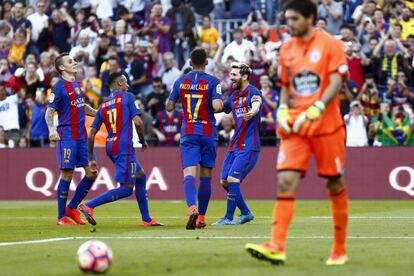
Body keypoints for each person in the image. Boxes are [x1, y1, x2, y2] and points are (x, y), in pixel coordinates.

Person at [246, 0, 350, 266]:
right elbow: (283, 84)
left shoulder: (331, 44)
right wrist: (281, 109)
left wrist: (318, 106)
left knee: (334, 183)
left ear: (309, 18)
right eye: (286, 19)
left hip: (326, 126)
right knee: (285, 181)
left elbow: (337, 79)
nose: (288, 23)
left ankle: (339, 249)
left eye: (293, 19)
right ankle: (276, 246)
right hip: (295, 126)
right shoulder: (287, 48)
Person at [78, 72, 163, 227]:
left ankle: (146, 219)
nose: (128, 85)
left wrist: (90, 158)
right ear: (118, 84)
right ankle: (89, 205)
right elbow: (138, 122)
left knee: (141, 177)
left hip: (110, 146)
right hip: (124, 147)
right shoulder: (128, 97)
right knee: (126, 189)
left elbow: (91, 135)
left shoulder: (103, 104)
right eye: (125, 82)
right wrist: (143, 141)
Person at [166, 48, 223, 229]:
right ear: (207, 62)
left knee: (189, 174)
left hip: (189, 132)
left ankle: (192, 208)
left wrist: (181, 103)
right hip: (208, 133)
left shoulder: (180, 81)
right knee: (206, 176)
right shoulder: (213, 82)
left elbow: (169, 106)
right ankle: (201, 219)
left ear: (189, 63)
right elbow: (216, 106)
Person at [45, 53, 98, 225]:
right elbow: (49, 112)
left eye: (74, 60)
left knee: (92, 172)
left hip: (82, 136)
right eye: (70, 61)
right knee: (67, 174)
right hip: (67, 136)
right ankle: (61, 216)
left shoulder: (77, 85)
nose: (74, 62)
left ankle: (72, 207)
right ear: (62, 68)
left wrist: (98, 113)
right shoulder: (59, 87)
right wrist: (52, 129)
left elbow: (83, 107)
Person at [213, 63, 262, 226]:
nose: (230, 78)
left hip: (249, 145)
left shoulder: (253, 91)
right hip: (234, 146)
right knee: (224, 181)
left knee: (233, 179)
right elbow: (219, 108)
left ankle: (228, 217)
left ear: (244, 77)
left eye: (234, 75)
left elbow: (256, 102)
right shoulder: (234, 95)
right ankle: (246, 213)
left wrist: (254, 110)